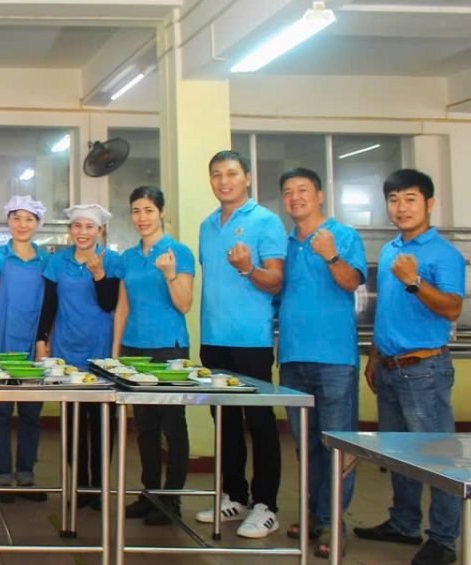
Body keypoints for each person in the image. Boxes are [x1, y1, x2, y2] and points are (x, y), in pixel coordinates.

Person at [354, 169, 464, 565]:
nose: (401, 207)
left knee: (438, 457)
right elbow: (387, 309)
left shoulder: (445, 254)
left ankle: (444, 540)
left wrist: (415, 280)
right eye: (394, 199)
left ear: (429, 203)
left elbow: (452, 308)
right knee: (399, 454)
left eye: (410, 199)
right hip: (389, 367)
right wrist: (374, 357)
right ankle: (404, 524)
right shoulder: (389, 250)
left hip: (424, 370)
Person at [193, 150, 287, 539]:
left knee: (260, 421)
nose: (224, 181)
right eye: (216, 174)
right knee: (225, 421)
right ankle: (234, 494)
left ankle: (266, 505)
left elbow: (276, 281)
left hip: (251, 340)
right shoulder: (207, 225)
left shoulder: (266, 221)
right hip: (213, 339)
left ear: (247, 177)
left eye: (231, 173)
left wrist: (248, 268)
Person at [276, 168, 367, 557]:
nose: (295, 197)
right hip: (292, 357)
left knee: (338, 443)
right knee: (306, 445)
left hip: (334, 359)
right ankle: (314, 512)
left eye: (302, 190)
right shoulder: (285, 244)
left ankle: (334, 522)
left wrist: (330, 254)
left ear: (319, 195)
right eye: (288, 192)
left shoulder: (342, 235)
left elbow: (352, 282)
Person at [111, 186, 195, 526]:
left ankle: (171, 501)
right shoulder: (129, 257)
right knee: (144, 426)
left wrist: (170, 274)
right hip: (134, 349)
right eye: (136, 211)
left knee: (172, 424)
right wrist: (115, 354)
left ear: (161, 212)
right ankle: (150, 494)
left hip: (168, 347)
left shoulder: (179, 252)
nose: (142, 217)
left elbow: (185, 304)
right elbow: (123, 306)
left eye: (148, 210)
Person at [37, 203, 122, 511]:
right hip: (66, 349)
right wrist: (41, 341)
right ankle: (80, 485)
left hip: (100, 350)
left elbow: (109, 304)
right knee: (72, 421)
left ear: (100, 231)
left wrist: (99, 274)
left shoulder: (112, 260)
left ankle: (99, 487)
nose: (82, 232)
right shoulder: (57, 261)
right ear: (70, 230)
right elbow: (49, 304)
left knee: (101, 422)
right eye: (77, 226)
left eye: (89, 227)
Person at [0, 195, 51, 503]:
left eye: (29, 219)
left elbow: (51, 305)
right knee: (0, 412)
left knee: (31, 414)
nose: (22, 224)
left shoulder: (46, 260)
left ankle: (26, 476)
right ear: (8, 220)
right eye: (16, 218)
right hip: (0, 344)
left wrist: (46, 341)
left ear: (37, 224)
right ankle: (2, 476)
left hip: (33, 346)